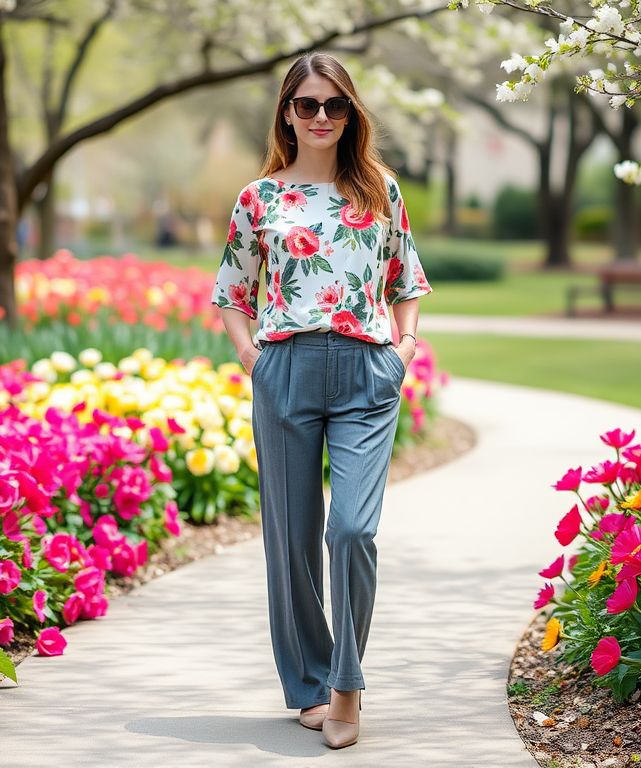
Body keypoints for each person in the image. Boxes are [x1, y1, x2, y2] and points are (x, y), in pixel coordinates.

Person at [212, 52, 431, 749]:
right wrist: (252, 357)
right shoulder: (259, 199)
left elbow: (407, 279)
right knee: (294, 541)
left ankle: (345, 686)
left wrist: (405, 349)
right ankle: (308, 684)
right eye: (307, 105)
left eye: (335, 106)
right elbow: (232, 291)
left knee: (352, 532)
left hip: (368, 373)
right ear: (286, 112)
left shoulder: (379, 191)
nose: (321, 118)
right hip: (287, 368)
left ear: (351, 114)